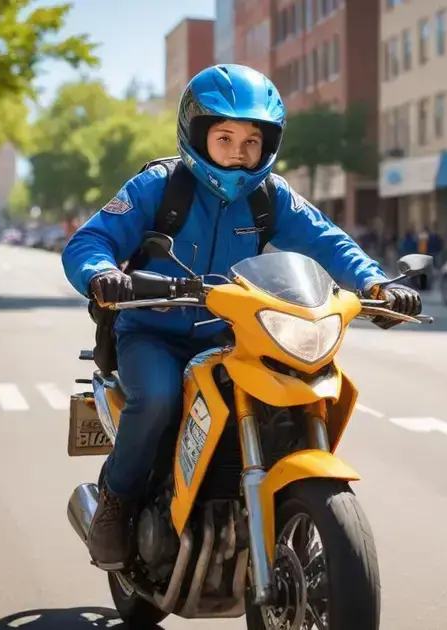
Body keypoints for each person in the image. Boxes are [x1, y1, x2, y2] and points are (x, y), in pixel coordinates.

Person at [61, 64, 422, 570]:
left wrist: (375, 283)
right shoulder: (158, 187)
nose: (239, 151)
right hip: (153, 332)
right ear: (197, 133)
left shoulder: (268, 195)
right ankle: (117, 504)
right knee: (159, 399)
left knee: (287, 391)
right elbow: (90, 241)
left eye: (253, 140)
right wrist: (101, 273)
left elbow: (328, 241)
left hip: (233, 336)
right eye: (225, 136)